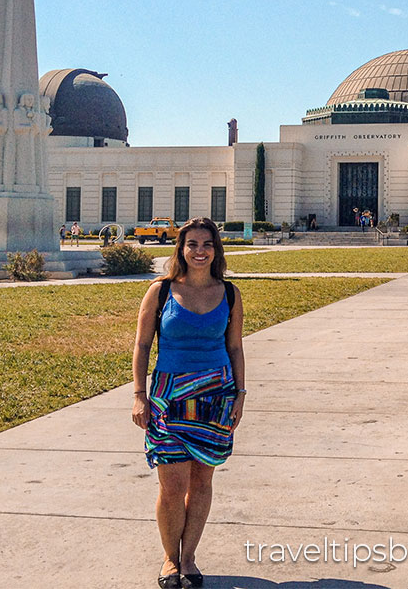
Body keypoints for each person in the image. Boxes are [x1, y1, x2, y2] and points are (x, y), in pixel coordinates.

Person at [131, 217, 246, 588]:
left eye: (207, 244)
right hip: (168, 398)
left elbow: (235, 347)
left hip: (216, 397)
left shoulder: (229, 293)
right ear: (180, 249)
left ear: (217, 250)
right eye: (192, 244)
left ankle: (190, 558)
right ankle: (169, 559)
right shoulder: (161, 291)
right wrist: (139, 395)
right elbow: (142, 344)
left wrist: (240, 397)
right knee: (171, 485)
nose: (200, 251)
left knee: (202, 482)